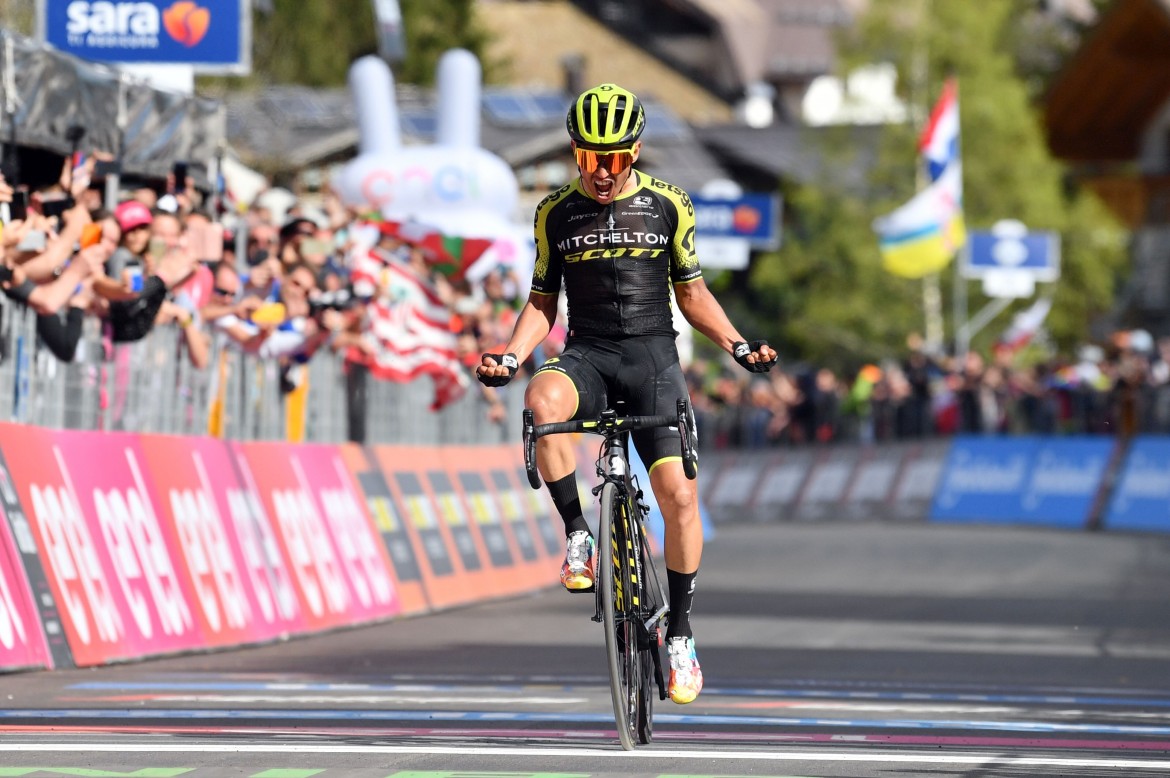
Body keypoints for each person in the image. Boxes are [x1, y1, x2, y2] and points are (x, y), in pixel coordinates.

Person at [476, 83, 777, 705]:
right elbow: (541, 301)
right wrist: (510, 352)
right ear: (574, 154)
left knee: (679, 499)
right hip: (587, 354)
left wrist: (739, 345)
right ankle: (579, 534)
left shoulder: (669, 204)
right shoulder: (554, 212)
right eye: (590, 158)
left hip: (652, 359)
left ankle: (682, 635)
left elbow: (692, 295)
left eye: (614, 158)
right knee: (541, 401)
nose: (603, 171)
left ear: (635, 152)